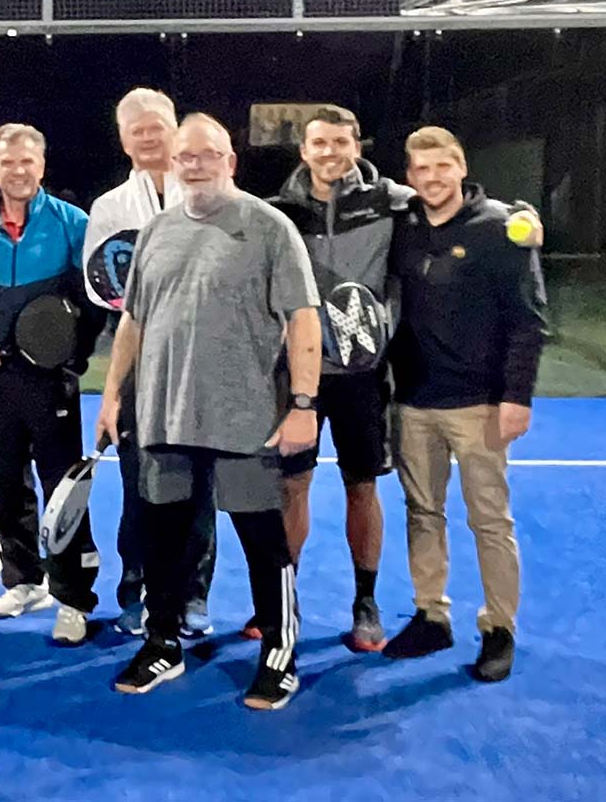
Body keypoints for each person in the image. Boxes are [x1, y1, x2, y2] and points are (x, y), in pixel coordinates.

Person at [96, 113, 321, 709]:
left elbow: (303, 319)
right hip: (164, 419)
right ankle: (163, 641)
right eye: (184, 157)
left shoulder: (270, 228)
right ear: (172, 164)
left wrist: (302, 404)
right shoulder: (157, 231)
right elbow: (134, 320)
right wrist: (113, 393)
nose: (195, 166)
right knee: (166, 539)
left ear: (230, 161)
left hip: (245, 421)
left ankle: (279, 652)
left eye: (207, 155)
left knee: (261, 542)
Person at [381, 126, 546, 683]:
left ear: (461, 167)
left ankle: (499, 628)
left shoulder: (502, 228)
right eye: (421, 170)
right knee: (422, 513)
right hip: (414, 402)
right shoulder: (402, 227)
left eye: (442, 168)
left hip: (480, 404)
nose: (432, 178)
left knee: (490, 521)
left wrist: (515, 398)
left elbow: (528, 321)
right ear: (410, 176)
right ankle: (432, 615)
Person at [265, 106, 412, 650]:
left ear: (357, 146)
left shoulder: (391, 202)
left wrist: (514, 215)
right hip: (298, 375)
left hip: (364, 377)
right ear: (304, 151)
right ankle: (283, 597)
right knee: (291, 486)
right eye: (319, 143)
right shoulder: (278, 214)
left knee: (361, 486)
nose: (330, 152)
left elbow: (456, 203)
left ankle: (365, 602)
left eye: (340, 142)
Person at [83, 88, 216, 638]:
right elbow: (100, 289)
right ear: (123, 139)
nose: (146, 134)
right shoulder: (110, 207)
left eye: (155, 125)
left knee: (199, 484)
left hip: (203, 358)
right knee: (140, 482)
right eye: (134, 127)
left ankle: (193, 594)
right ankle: (135, 588)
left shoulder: (215, 195)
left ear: (175, 129)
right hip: (138, 358)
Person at [0, 123, 105, 646]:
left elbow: (97, 301)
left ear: (42, 167)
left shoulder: (73, 223)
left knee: (63, 488)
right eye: (7, 163)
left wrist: (72, 356)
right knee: (4, 485)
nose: (18, 171)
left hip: (52, 385)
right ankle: (24, 579)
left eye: (27, 161)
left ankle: (73, 597)